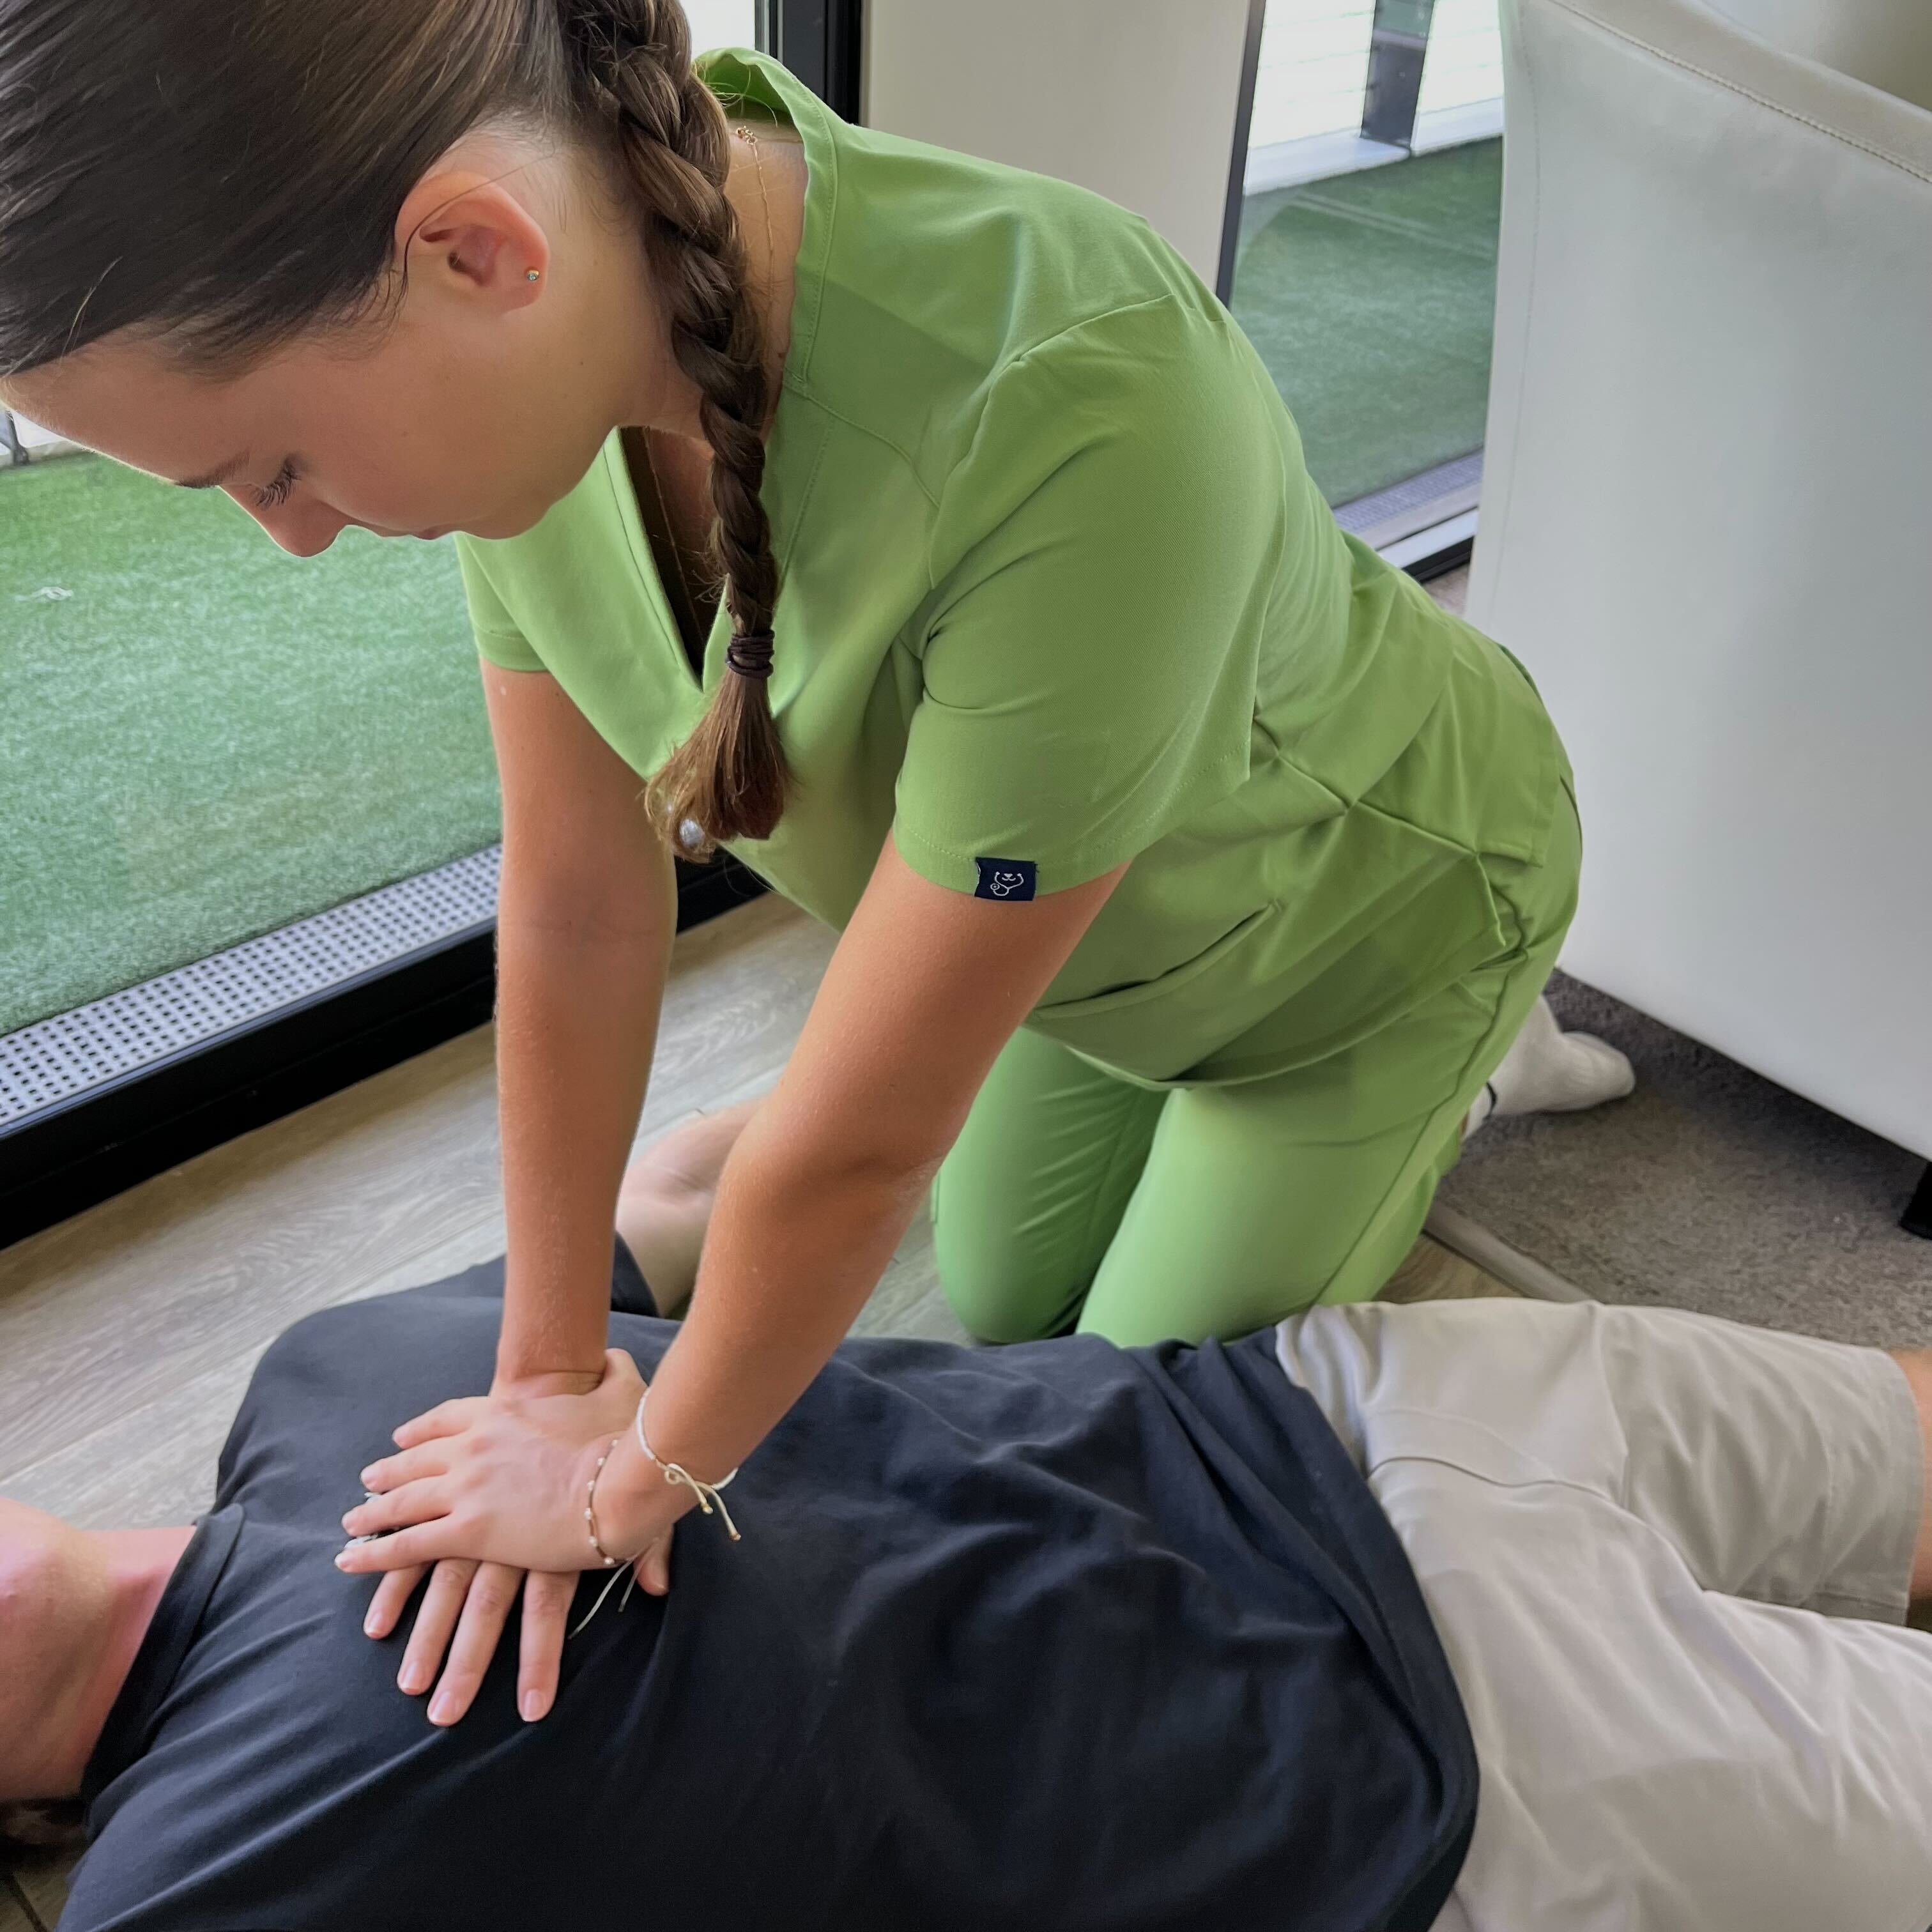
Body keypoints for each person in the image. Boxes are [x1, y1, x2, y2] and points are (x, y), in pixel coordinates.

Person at [0, 0, 1629, 1698]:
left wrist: (637, 1482)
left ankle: (1475, 1066)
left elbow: (854, 1169)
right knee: (1006, 1298)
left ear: (474, 252)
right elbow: (572, 905)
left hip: (1364, 941)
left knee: (1131, 1432)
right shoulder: (535, 394)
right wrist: (549, 1373)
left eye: (272, 464)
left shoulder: (1082, 397)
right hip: (1087, 977)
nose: (293, 538)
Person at [6, 1246, 1932, 1931]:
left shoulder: (323, 1364)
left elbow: (715, 1179)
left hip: (1329, 1409)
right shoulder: (200, 1873)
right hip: (1457, 1777)